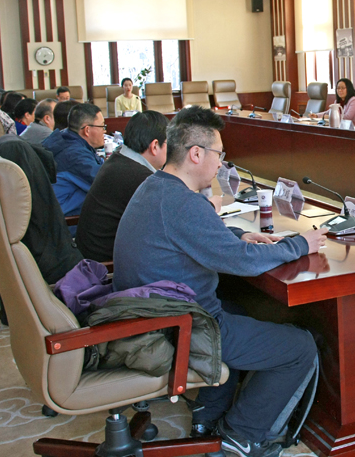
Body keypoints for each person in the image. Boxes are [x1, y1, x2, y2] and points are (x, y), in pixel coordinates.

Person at [113, 106, 328, 457]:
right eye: (219, 155)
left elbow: (192, 235)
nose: (221, 164)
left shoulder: (155, 186)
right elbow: (243, 263)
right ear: (196, 154)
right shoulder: (183, 203)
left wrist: (238, 236)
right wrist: (301, 244)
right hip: (180, 328)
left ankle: (207, 416)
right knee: (299, 348)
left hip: (152, 318)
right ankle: (240, 435)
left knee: (240, 310)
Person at [75, 111, 168, 262]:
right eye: (168, 145)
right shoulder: (140, 177)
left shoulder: (118, 159)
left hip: (91, 256)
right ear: (155, 146)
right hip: (106, 266)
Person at [43, 103, 105, 217]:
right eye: (102, 126)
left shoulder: (65, 138)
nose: (104, 131)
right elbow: (105, 182)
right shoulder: (75, 155)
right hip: (65, 219)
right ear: (87, 130)